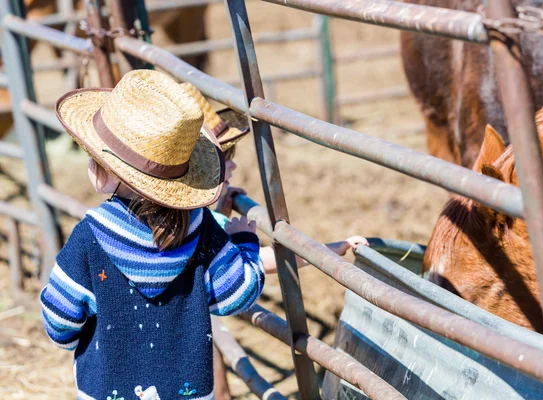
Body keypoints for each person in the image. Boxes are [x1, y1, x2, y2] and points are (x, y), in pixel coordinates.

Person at [39, 70, 265, 400]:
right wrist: (246, 242)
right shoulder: (202, 228)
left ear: (107, 174)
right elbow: (238, 294)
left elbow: (59, 323)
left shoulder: (88, 238)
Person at [191, 89, 368, 400]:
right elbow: (263, 263)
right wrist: (331, 249)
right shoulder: (207, 228)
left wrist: (218, 208)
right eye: (222, 160)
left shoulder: (178, 220)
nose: (231, 168)